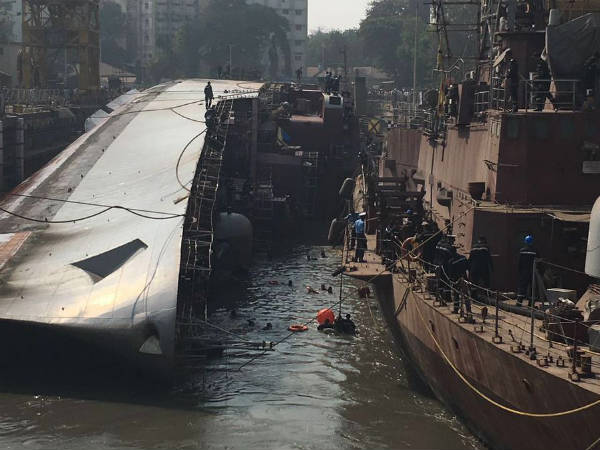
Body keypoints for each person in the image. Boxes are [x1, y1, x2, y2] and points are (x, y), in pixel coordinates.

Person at [517, 235, 538, 306]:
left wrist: (519, 271)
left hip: (524, 271)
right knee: (533, 287)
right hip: (533, 272)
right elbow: (539, 261)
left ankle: (519, 303)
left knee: (522, 287)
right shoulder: (535, 251)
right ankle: (531, 304)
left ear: (525, 242)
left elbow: (520, 262)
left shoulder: (522, 251)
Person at [449, 247, 469, 314]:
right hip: (464, 278)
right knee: (466, 295)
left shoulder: (451, 261)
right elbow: (467, 267)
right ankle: (468, 310)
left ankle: (456, 309)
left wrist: (451, 280)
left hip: (456, 280)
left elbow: (451, 273)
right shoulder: (463, 258)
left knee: (456, 295)